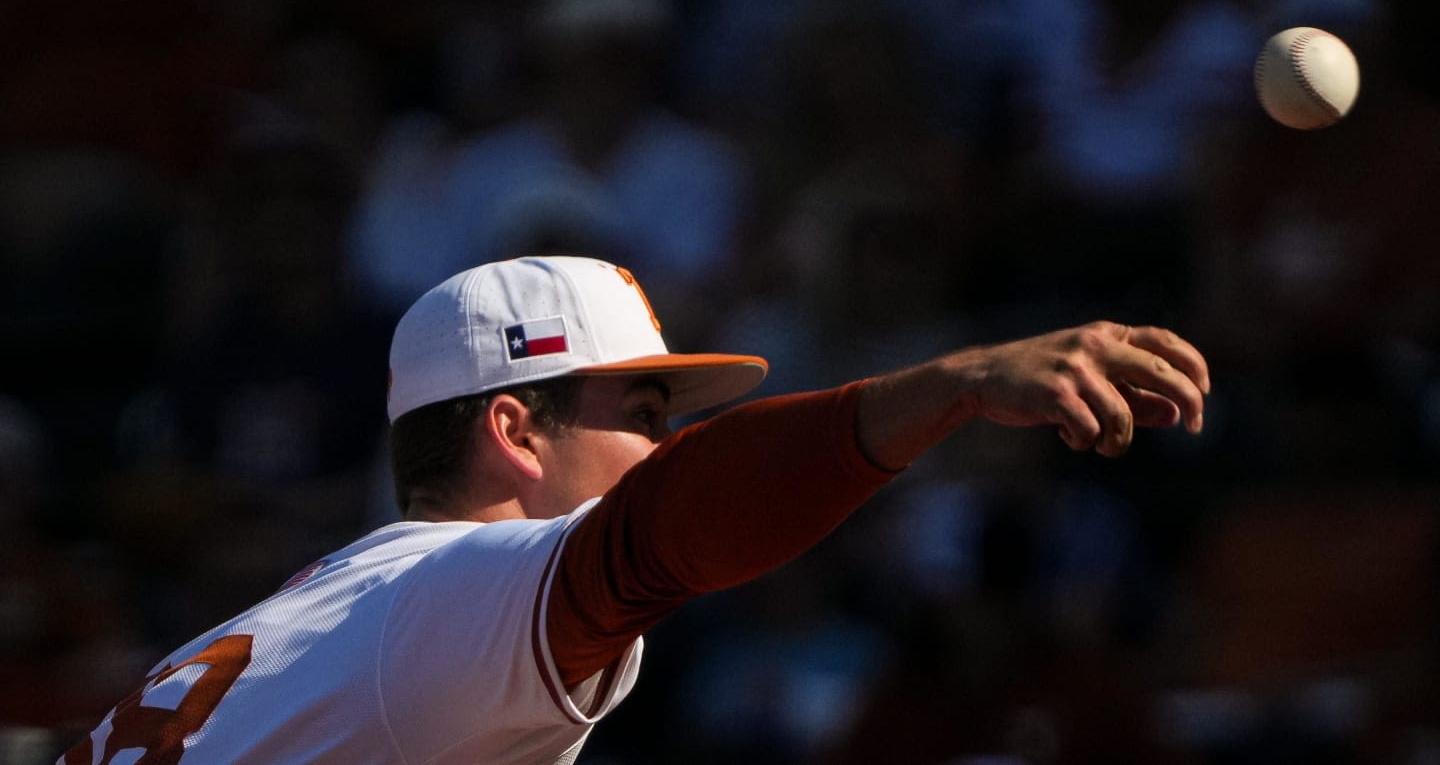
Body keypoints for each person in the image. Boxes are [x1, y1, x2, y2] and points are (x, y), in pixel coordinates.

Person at [61, 255, 1209, 764]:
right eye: (645, 416)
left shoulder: (331, 605)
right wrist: (945, 389)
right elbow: (667, 530)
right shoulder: (455, 593)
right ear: (514, 433)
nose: (671, 447)